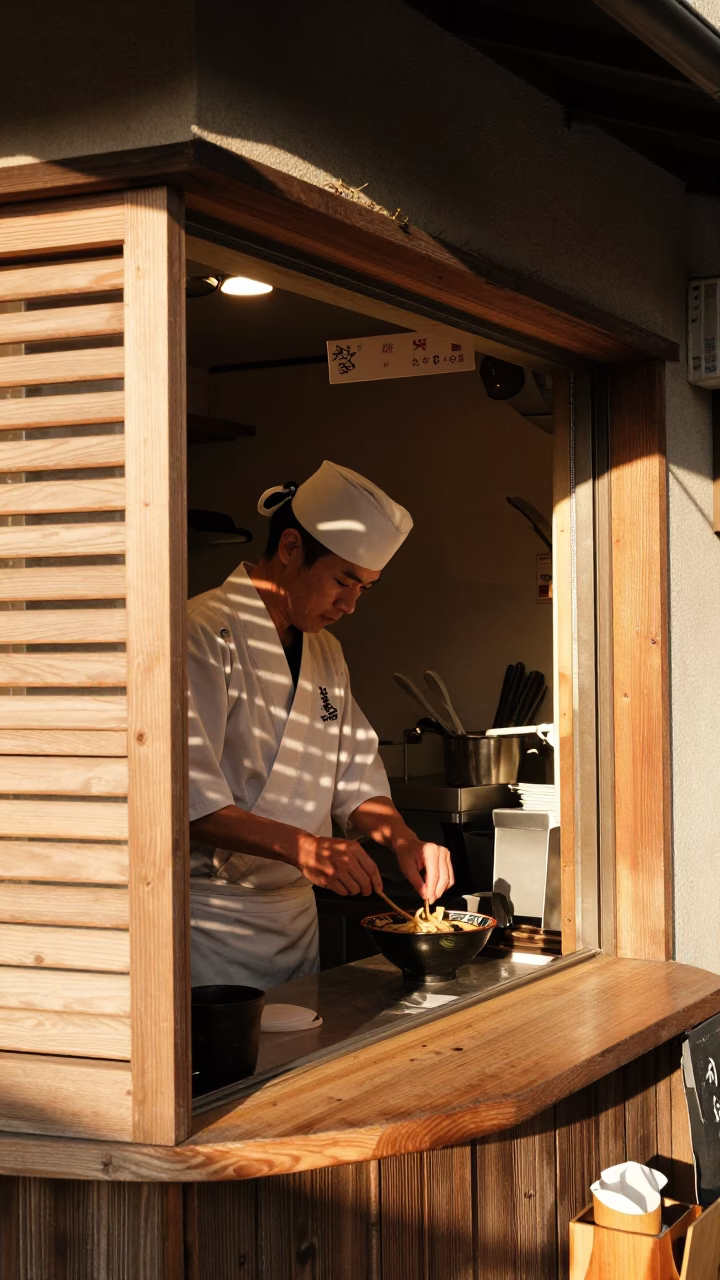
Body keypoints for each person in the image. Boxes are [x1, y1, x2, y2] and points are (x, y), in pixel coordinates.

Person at [187, 460, 454, 988]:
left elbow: (355, 779)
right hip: (212, 925)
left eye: (365, 589)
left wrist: (403, 840)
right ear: (290, 548)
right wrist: (305, 847)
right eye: (342, 581)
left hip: (296, 922)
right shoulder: (202, 631)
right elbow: (190, 802)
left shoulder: (326, 651)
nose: (349, 605)